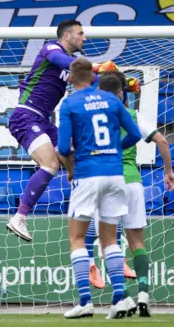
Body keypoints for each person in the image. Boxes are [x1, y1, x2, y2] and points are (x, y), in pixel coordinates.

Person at [87, 71, 174, 317]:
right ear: (122, 94)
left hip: (106, 181)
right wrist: (168, 172)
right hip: (133, 183)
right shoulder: (133, 115)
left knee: (109, 243)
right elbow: (162, 141)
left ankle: (123, 295)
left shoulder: (94, 117)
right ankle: (144, 295)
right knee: (137, 242)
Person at [57, 59, 141, 319]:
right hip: (115, 174)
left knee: (77, 239)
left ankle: (85, 301)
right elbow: (135, 134)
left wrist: (78, 155)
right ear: (92, 78)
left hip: (87, 173)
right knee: (110, 240)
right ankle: (119, 298)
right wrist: (115, 148)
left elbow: (62, 149)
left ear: (71, 79)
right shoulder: (114, 101)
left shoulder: (70, 104)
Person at [7, 19, 86, 242]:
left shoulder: (73, 63)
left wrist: (119, 82)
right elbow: (62, 61)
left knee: (73, 154)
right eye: (80, 33)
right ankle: (19, 217)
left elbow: (92, 79)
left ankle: (82, 207)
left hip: (44, 120)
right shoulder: (51, 48)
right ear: (67, 36)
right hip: (25, 115)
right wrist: (94, 67)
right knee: (50, 164)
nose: (84, 38)